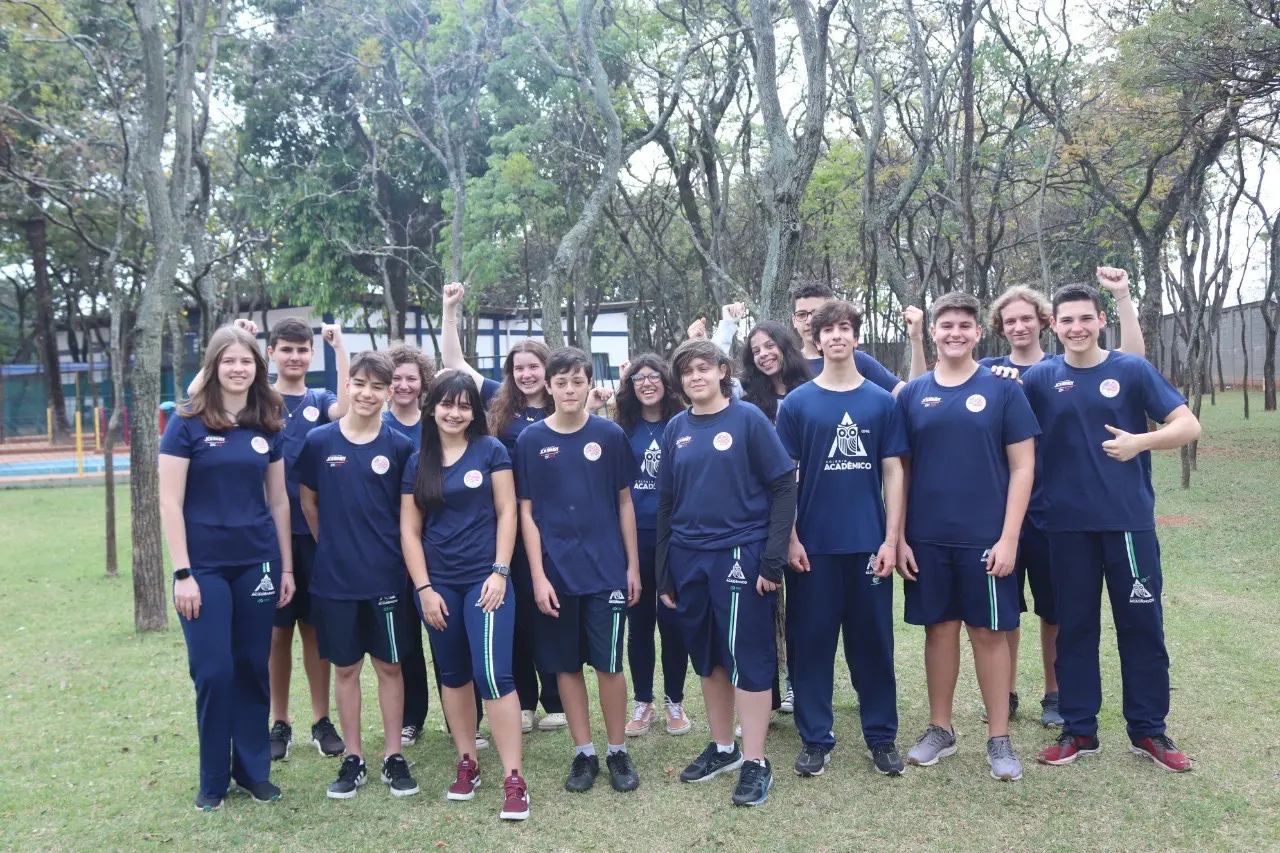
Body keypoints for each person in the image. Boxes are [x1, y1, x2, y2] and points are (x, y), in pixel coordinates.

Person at [1023, 283, 1200, 772]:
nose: (1076, 328)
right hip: (1064, 527)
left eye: (1085, 318)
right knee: (1074, 628)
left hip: (1127, 524)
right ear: (1052, 326)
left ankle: (1149, 730)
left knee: (1142, 627)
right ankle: (1079, 730)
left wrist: (1140, 442)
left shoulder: (1131, 369)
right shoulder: (1040, 378)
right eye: (1066, 321)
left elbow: (1188, 425)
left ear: (1100, 320)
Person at [976, 270, 1147, 729]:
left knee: (1057, 608)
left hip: (1059, 513)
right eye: (1009, 320)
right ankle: (1005, 690)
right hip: (1005, 512)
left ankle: (1056, 694)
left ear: (1043, 322)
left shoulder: (1064, 366)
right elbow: (928, 389)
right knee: (1006, 609)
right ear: (999, 326)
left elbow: (1131, 363)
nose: (1019, 327)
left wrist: (1123, 296)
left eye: (1027, 318)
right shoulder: (992, 371)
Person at [895, 292, 1039, 782]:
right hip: (928, 539)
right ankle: (940, 729)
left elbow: (1023, 468)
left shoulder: (1004, 390)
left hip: (986, 539)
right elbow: (902, 471)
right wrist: (902, 537)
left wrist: (1009, 538)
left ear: (980, 333)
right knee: (939, 631)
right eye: (945, 325)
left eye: (964, 326)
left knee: (988, 632)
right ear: (932, 332)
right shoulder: (913, 394)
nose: (954, 333)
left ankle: (999, 738)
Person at [656, 339, 798, 807]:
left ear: (721, 372)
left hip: (741, 555)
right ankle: (724, 748)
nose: (696, 377)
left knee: (748, 657)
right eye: (687, 372)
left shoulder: (748, 419)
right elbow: (666, 504)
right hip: (688, 557)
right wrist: (664, 572)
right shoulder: (676, 427)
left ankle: (756, 760)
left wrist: (772, 557)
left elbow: (782, 488)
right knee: (710, 655)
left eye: (704, 368)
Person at [159, 323, 294, 811]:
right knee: (214, 671)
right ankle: (213, 778)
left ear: (259, 368)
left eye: (247, 361)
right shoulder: (187, 422)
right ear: (214, 367)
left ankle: (253, 771)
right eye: (229, 361)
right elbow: (170, 504)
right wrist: (182, 573)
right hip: (204, 569)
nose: (238, 369)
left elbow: (279, 503)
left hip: (258, 563)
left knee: (252, 668)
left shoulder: (269, 421)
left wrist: (286, 569)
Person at [776, 301, 907, 778]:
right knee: (811, 645)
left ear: (856, 336)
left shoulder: (881, 401)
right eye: (826, 329)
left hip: (868, 545)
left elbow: (893, 471)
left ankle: (881, 737)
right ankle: (815, 738)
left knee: (873, 644)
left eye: (844, 328)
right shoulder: (796, 404)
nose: (835, 336)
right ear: (814, 338)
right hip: (812, 548)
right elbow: (785, 477)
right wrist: (789, 537)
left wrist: (892, 539)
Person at [400, 372, 530, 820]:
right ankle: (467, 763)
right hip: (438, 588)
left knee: (491, 674)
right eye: (446, 404)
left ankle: (514, 778)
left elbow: (507, 511)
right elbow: (410, 532)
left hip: (484, 582)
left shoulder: (491, 451)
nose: (454, 413)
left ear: (475, 411)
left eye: (464, 405)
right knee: (453, 675)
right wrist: (424, 589)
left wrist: (499, 572)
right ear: (431, 407)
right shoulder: (418, 462)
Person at [516, 347, 643, 794]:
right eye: (561, 382)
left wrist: (632, 566)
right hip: (556, 575)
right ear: (548, 386)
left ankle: (616, 750)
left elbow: (626, 502)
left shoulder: (609, 435)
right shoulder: (529, 442)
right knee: (566, 667)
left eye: (578, 381)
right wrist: (537, 575)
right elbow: (526, 514)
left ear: (590, 384)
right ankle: (584, 753)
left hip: (607, 571)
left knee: (610, 665)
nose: (570, 390)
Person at [441, 282, 566, 734]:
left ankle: (556, 697)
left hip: (553, 524)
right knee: (510, 614)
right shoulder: (498, 401)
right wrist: (450, 310)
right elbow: (454, 364)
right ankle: (526, 700)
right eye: (519, 368)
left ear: (548, 370)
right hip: (505, 524)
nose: (527, 374)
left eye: (534, 366)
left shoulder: (563, 404)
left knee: (548, 609)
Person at [297, 351, 419, 800]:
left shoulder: (401, 447)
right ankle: (353, 756)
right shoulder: (319, 441)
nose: (368, 394)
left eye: (377, 387)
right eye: (360, 384)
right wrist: (332, 545)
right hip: (335, 580)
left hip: (387, 580)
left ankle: (392, 755)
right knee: (345, 668)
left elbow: (409, 518)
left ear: (390, 393)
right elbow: (309, 503)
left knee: (389, 665)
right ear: (347, 386)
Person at [608, 355, 692, 737]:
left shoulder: (683, 423)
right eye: (638, 378)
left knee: (673, 621)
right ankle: (644, 703)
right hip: (634, 536)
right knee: (638, 622)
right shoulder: (621, 428)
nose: (646, 383)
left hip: (676, 536)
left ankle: (675, 701)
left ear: (666, 381)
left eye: (653, 376)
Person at [789, 282, 922, 394]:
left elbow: (913, 396)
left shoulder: (856, 360)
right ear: (794, 320)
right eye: (802, 314)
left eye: (817, 313)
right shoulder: (787, 365)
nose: (809, 321)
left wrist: (916, 339)